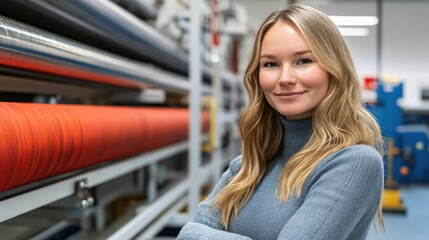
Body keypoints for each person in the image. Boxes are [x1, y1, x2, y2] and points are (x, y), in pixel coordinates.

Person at [177, 4, 384, 240]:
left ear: (334, 69)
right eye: (271, 64)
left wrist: (197, 234)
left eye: (304, 61)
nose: (285, 78)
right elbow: (187, 234)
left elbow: (193, 233)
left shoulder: (354, 164)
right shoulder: (249, 165)